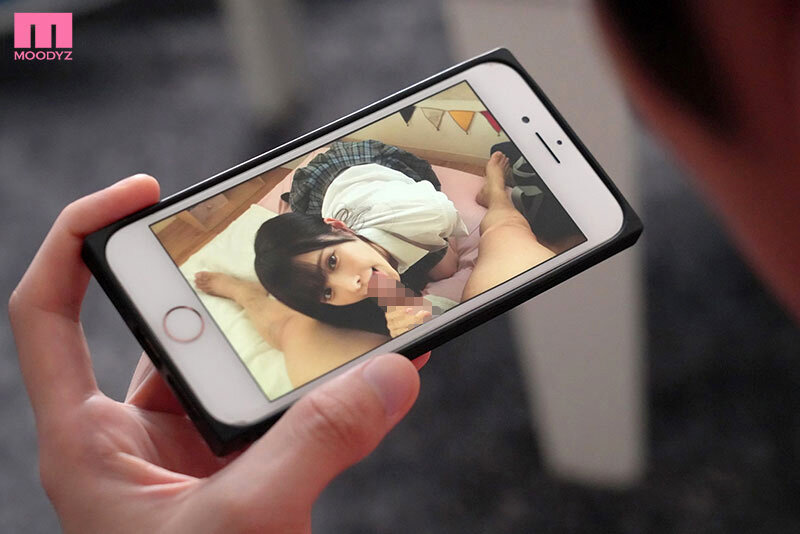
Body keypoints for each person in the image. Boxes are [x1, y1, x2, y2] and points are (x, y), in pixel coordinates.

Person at [14, 3, 797, 530]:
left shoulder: (375, 209)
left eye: (332, 264)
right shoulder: (382, 297)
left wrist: (464, 228)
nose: (346, 281)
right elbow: (379, 297)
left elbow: (417, 226)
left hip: (370, 187)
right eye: (332, 291)